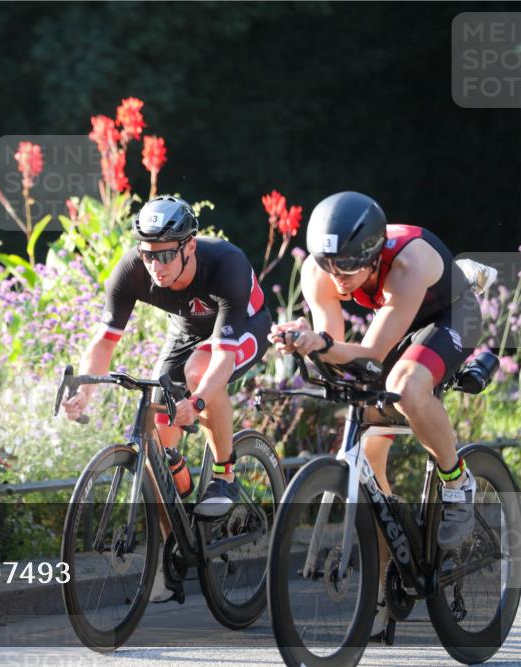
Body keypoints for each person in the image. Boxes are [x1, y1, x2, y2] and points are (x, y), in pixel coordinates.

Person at [269, 190, 482, 636]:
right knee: (367, 454)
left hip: (451, 317)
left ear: (372, 255)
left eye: (347, 269)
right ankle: (388, 578)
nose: (337, 278)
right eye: (329, 266)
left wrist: (323, 345)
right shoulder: (320, 270)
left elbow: (370, 353)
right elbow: (336, 349)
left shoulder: (409, 263)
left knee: (406, 387)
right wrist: (305, 342)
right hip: (399, 326)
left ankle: (457, 480)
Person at [62, 195, 271, 602]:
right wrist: (84, 392)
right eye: (148, 254)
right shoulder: (132, 269)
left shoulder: (224, 264)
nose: (155, 266)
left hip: (244, 329)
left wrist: (197, 402)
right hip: (187, 331)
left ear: (189, 246)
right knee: (155, 436)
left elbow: (221, 358)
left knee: (197, 373)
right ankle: (173, 547)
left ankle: (225, 476)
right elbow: (104, 341)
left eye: (165, 255)